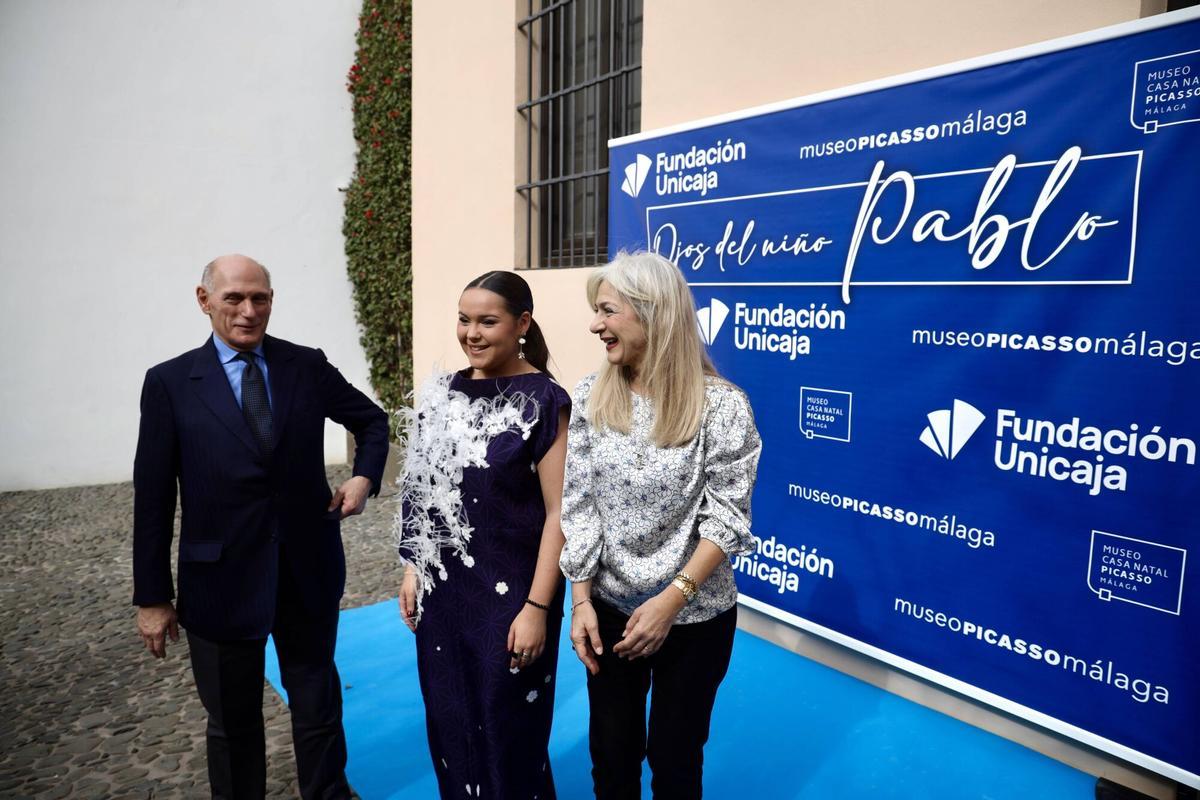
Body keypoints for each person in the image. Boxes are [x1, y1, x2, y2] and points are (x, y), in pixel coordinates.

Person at [132, 254, 389, 800]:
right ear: (204, 301)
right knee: (233, 723)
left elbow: (371, 420)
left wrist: (364, 477)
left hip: (306, 570)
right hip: (218, 582)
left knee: (318, 707)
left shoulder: (305, 365)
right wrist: (152, 596)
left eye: (260, 298)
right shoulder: (170, 383)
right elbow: (153, 499)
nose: (249, 311)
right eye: (234, 298)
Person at [560, 251, 761, 800]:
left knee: (675, 759)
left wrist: (671, 602)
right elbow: (578, 507)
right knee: (612, 753)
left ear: (653, 314)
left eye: (607, 311)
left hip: (696, 615)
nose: (595, 324)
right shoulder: (590, 396)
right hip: (608, 609)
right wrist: (581, 602)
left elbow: (726, 517)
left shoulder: (722, 407)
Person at [396, 270, 570, 799]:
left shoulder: (545, 400)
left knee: (508, 732)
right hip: (443, 594)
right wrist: (412, 567)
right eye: (464, 319)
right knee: (450, 725)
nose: (471, 333)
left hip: (513, 594)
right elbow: (420, 488)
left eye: (487, 321)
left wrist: (538, 607)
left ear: (522, 324)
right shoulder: (440, 393)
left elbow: (561, 513)